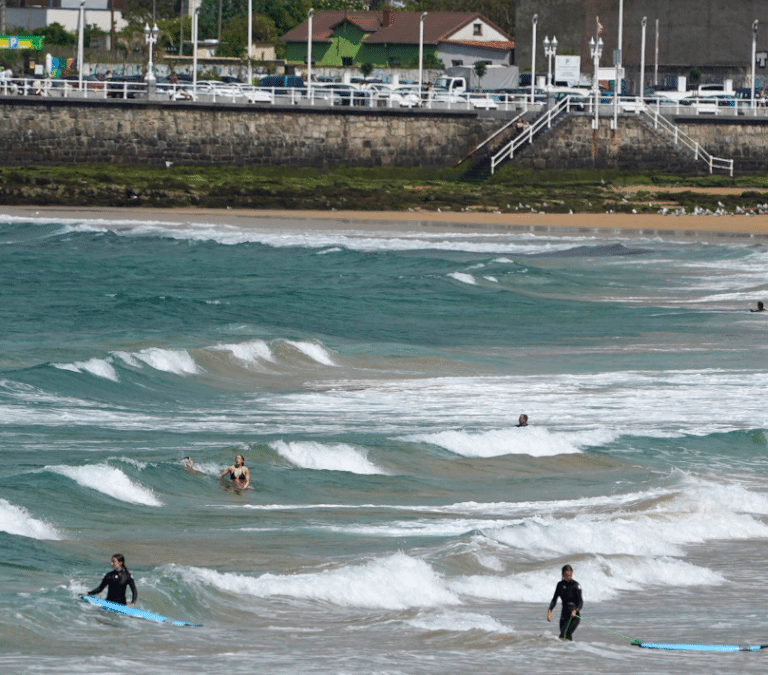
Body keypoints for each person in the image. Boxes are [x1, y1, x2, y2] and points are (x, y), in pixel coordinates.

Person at [547, 564, 583, 640]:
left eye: (570, 575)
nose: (568, 577)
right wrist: (550, 610)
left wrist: (575, 610)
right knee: (564, 636)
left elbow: (580, 602)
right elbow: (554, 599)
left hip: (574, 616)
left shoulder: (576, 585)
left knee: (565, 634)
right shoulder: (560, 585)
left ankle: (567, 650)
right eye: (566, 575)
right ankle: (569, 650)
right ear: (562, 575)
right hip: (564, 614)